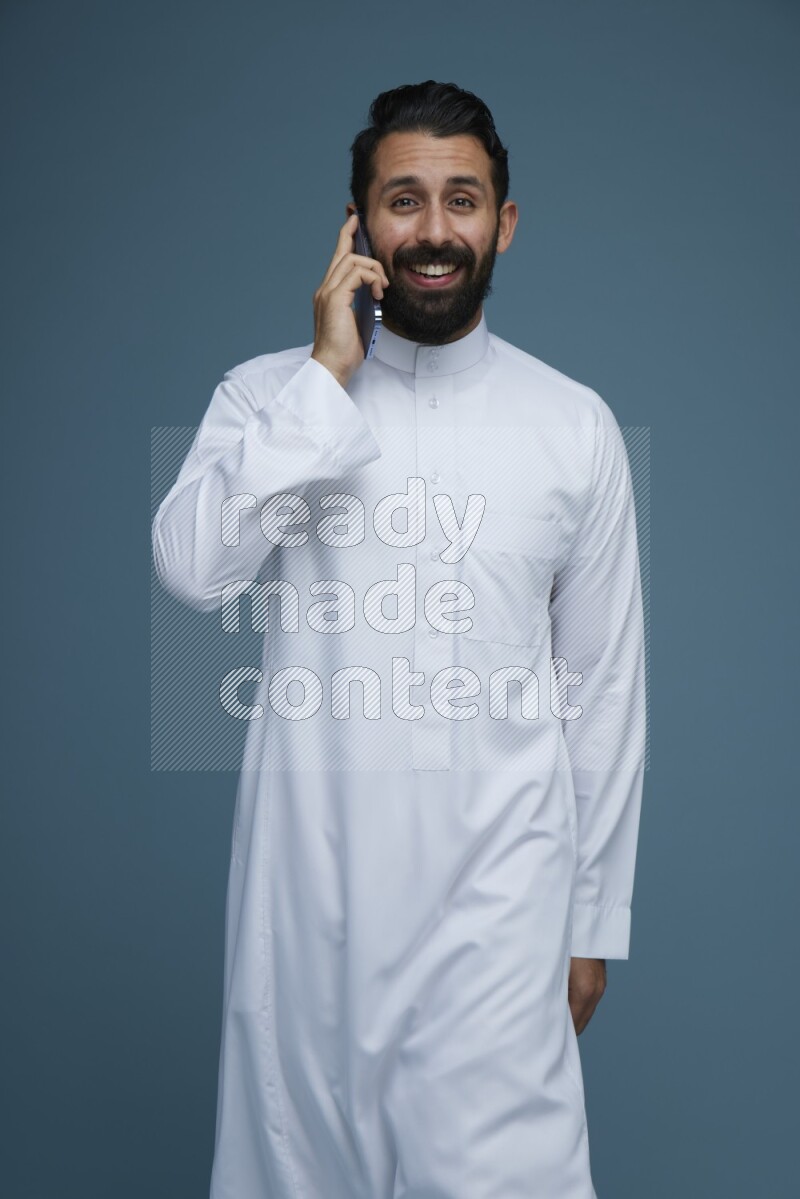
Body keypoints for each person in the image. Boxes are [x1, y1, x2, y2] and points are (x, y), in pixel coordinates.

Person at [152, 80, 647, 1199]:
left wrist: (591, 922)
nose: (431, 231)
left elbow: (602, 687)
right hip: (309, 910)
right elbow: (192, 568)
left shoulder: (573, 424)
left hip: (499, 913)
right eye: (402, 201)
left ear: (502, 223)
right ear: (356, 225)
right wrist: (326, 379)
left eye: (459, 200)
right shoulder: (268, 397)